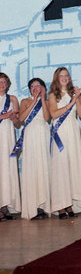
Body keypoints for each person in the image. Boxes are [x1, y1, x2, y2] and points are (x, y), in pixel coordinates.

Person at [49, 67, 81, 219]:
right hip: (60, 133)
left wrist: (77, 99)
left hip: (73, 131)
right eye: (61, 75)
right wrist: (71, 102)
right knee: (60, 168)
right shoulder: (53, 95)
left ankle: (70, 204)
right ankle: (60, 206)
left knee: (73, 167)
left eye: (66, 75)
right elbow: (54, 114)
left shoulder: (74, 94)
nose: (64, 78)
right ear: (57, 78)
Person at [18, 78, 51, 220]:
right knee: (32, 169)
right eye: (32, 86)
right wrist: (34, 100)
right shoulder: (25, 101)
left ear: (43, 87)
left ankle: (43, 206)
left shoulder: (48, 102)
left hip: (43, 134)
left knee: (43, 167)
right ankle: (32, 207)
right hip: (30, 135)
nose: (35, 87)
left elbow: (46, 118)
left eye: (38, 85)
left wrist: (42, 99)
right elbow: (21, 119)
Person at [0, 73, 21, 221]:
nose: (2, 84)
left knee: (7, 170)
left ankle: (5, 207)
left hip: (8, 136)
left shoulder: (12, 99)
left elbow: (18, 123)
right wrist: (3, 116)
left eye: (4, 82)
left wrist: (13, 117)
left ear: (8, 84)